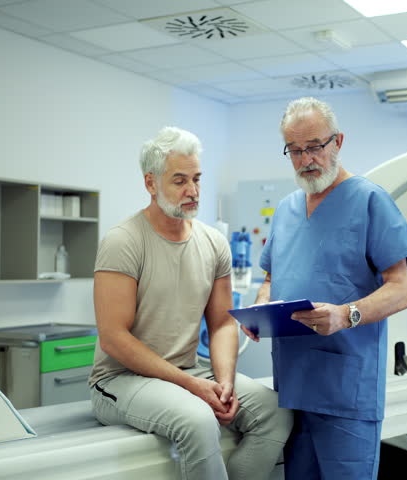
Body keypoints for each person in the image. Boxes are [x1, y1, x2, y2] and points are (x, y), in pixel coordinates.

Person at [89, 126, 293, 480]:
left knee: (277, 413)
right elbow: (113, 338)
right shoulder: (123, 241)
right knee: (199, 420)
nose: (193, 191)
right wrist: (193, 387)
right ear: (151, 183)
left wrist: (225, 382)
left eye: (197, 179)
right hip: (120, 380)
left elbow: (222, 323)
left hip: (186, 371)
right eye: (180, 181)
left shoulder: (214, 244)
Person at [244, 97, 407, 479]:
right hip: (292, 388)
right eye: (295, 150)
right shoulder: (287, 210)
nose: (306, 158)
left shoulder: (370, 201)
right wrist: (261, 308)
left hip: (345, 391)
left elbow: (401, 289)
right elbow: (271, 277)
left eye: (315, 146)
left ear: (338, 142)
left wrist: (346, 315)